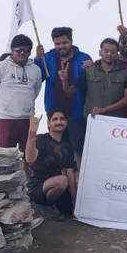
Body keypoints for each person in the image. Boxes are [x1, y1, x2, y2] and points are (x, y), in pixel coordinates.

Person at [64, 38, 127, 167]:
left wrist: (104, 110)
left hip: (115, 125)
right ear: (100, 52)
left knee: (114, 158)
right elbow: (70, 93)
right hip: (93, 124)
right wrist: (64, 79)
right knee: (92, 157)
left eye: (112, 52)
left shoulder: (125, 73)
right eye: (106, 51)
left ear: (117, 54)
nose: (109, 54)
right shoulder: (88, 71)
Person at [34, 27, 94, 160]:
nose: (61, 46)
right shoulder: (48, 58)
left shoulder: (84, 58)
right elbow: (37, 78)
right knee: (56, 151)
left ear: (71, 41)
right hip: (54, 113)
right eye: (57, 44)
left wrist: (95, 67)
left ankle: (78, 180)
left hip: (77, 113)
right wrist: (38, 59)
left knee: (78, 151)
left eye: (65, 43)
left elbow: (93, 81)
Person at [0, 34, 43, 152]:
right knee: (4, 157)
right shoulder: (1, 67)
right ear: (12, 51)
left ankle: (27, 172)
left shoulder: (36, 69)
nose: (22, 53)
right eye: (19, 50)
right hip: (6, 120)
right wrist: (2, 108)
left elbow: (36, 91)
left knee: (28, 157)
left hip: (28, 120)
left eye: (26, 50)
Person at [25, 110, 75, 220]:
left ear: (66, 122)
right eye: (55, 119)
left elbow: (70, 174)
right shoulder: (41, 139)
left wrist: (74, 203)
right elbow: (30, 158)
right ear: (48, 123)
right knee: (62, 180)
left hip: (56, 189)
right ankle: (46, 206)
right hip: (37, 187)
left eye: (62, 119)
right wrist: (31, 133)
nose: (59, 122)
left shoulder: (67, 146)